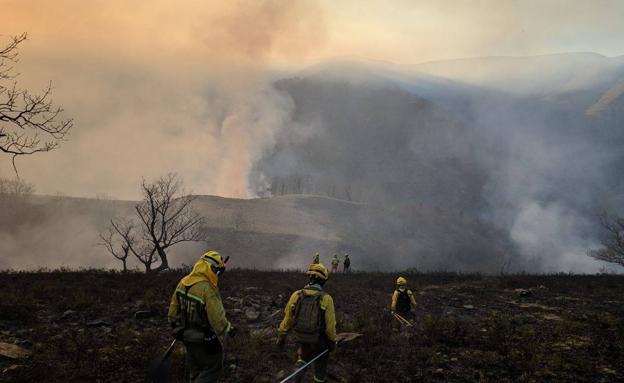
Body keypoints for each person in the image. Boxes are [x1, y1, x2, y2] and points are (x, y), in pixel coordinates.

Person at [168, 251, 237, 383]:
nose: (217, 274)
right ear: (208, 267)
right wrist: (229, 329)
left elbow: (172, 312)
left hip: (186, 336)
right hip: (204, 339)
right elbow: (217, 319)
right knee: (213, 367)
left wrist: (176, 327)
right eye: (216, 270)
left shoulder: (183, 282)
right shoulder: (207, 289)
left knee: (195, 370)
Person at [277, 263, 337, 383]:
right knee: (320, 366)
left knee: (303, 358)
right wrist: (332, 342)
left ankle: (296, 378)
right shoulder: (326, 298)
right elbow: (330, 326)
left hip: (301, 337)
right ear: (323, 280)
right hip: (320, 340)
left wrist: (282, 336)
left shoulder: (296, 295)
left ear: (310, 277)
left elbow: (287, 319)